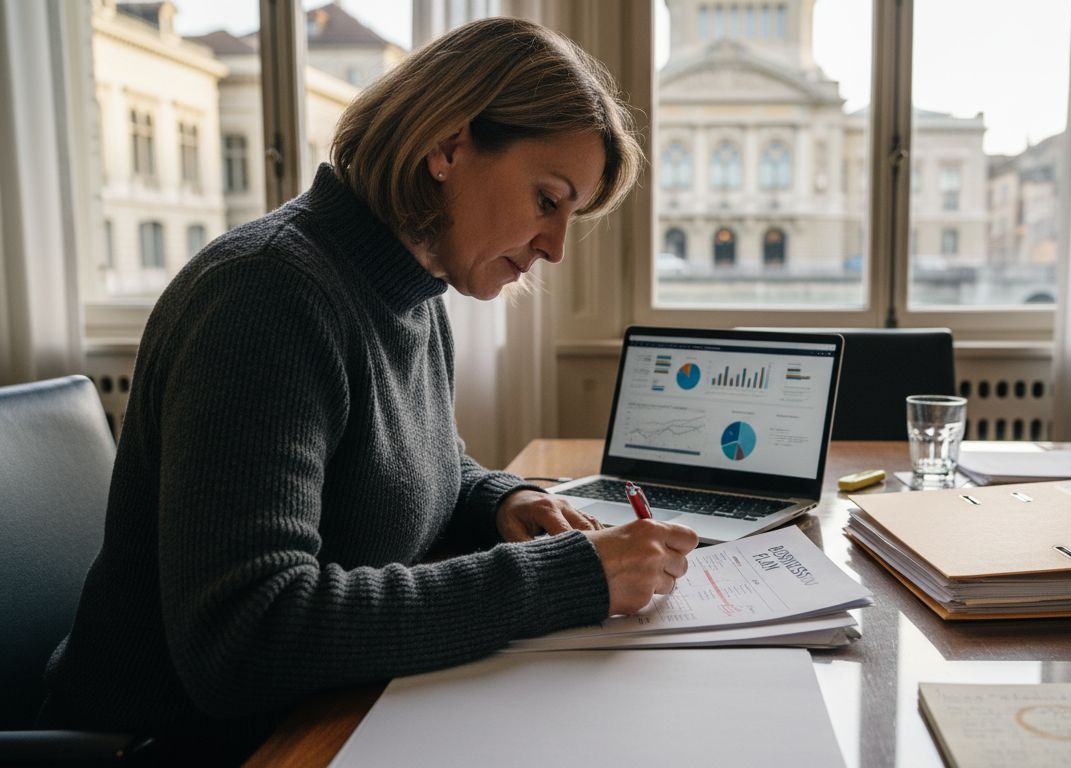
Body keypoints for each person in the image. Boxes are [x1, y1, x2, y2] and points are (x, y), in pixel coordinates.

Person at [40, 17, 697, 759]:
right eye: (548, 200)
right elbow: (248, 637)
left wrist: (502, 500)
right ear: (448, 147)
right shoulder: (266, 297)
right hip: (186, 743)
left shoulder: (411, 290)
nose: (554, 247)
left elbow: (420, 472)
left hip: (329, 710)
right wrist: (563, 579)